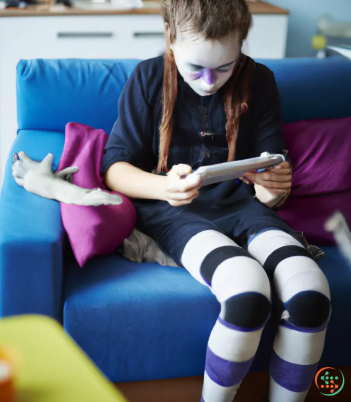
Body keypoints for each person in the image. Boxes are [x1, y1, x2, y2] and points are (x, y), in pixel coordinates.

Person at [101, 0, 331, 401]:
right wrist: (164, 187)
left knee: (311, 293)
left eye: (224, 67)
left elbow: (267, 183)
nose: (209, 81)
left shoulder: (258, 80)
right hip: (172, 210)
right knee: (247, 294)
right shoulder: (148, 77)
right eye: (196, 68)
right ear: (171, 41)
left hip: (242, 206)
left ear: (241, 47)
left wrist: (273, 186)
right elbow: (113, 168)